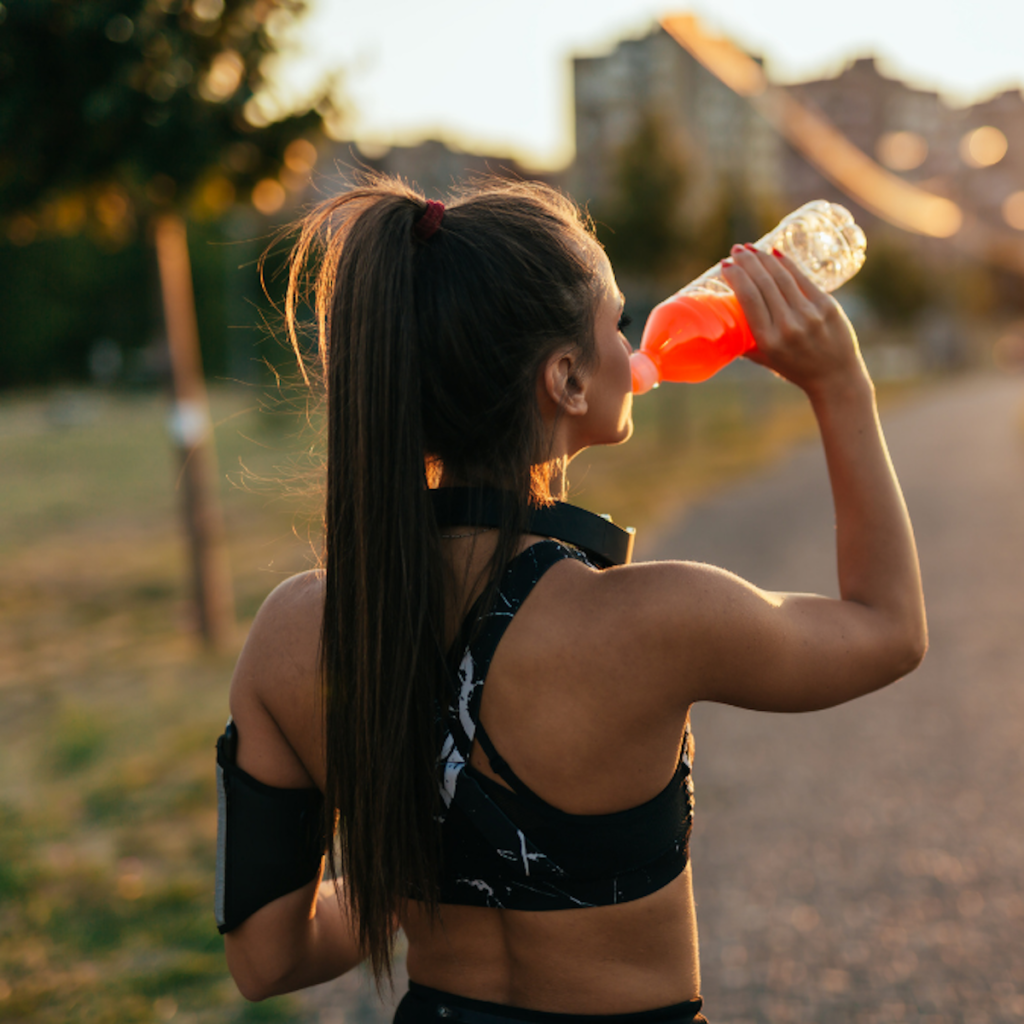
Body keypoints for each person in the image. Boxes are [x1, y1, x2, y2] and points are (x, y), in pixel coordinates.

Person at [216, 177, 927, 1023]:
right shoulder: (658, 619)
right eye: (619, 323)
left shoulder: (294, 633)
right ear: (566, 379)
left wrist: (423, 857)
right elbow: (888, 631)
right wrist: (840, 382)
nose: (635, 345)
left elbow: (265, 956)